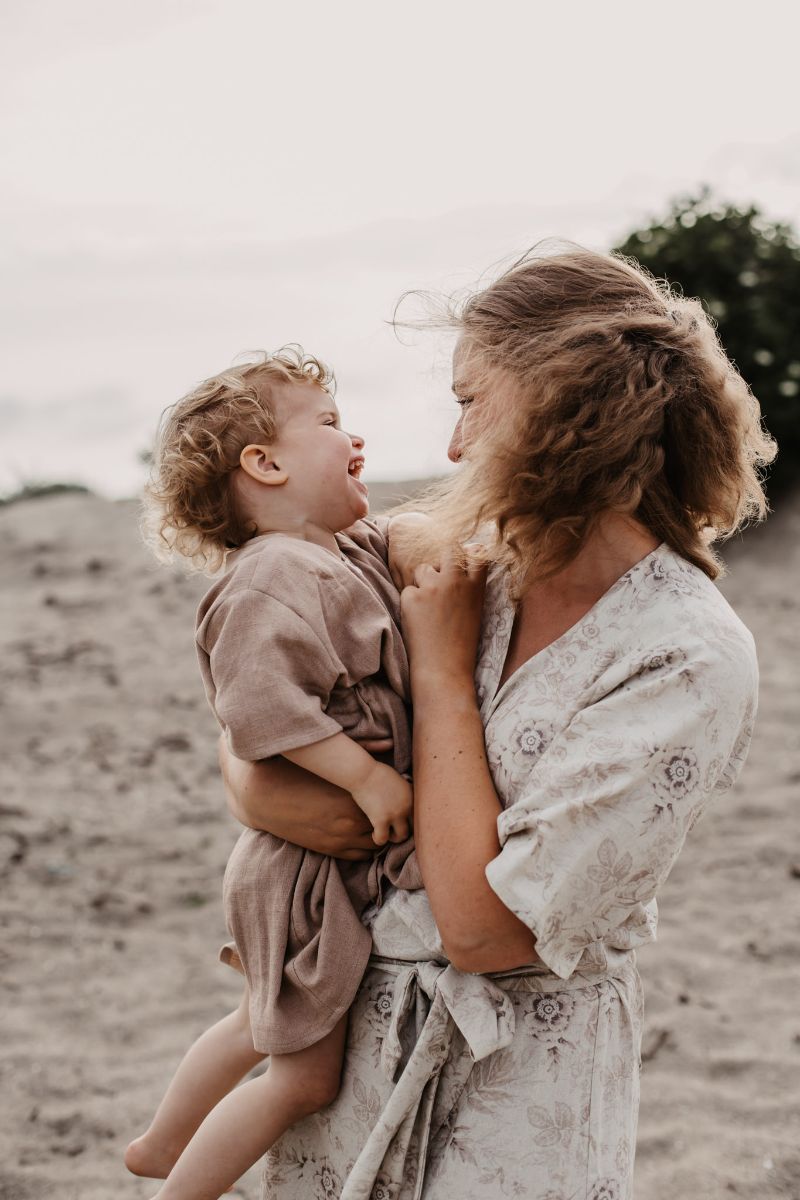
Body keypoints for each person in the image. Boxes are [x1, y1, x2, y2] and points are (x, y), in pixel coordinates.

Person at [219, 246, 776, 1200]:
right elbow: (255, 725)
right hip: (352, 1051)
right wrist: (281, 785)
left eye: (472, 400)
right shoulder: (456, 558)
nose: (452, 447)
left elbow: (483, 932)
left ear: (568, 404)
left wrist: (439, 673)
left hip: (521, 1096)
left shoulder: (686, 655)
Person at [126, 348, 424, 1200]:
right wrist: (363, 778)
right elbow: (260, 708)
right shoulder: (271, 575)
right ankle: (175, 1183)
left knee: (265, 1019)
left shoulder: (337, 549)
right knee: (301, 1077)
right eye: (330, 424)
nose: (354, 435)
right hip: (299, 870)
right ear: (264, 463)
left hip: (303, 865)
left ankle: (160, 1142)